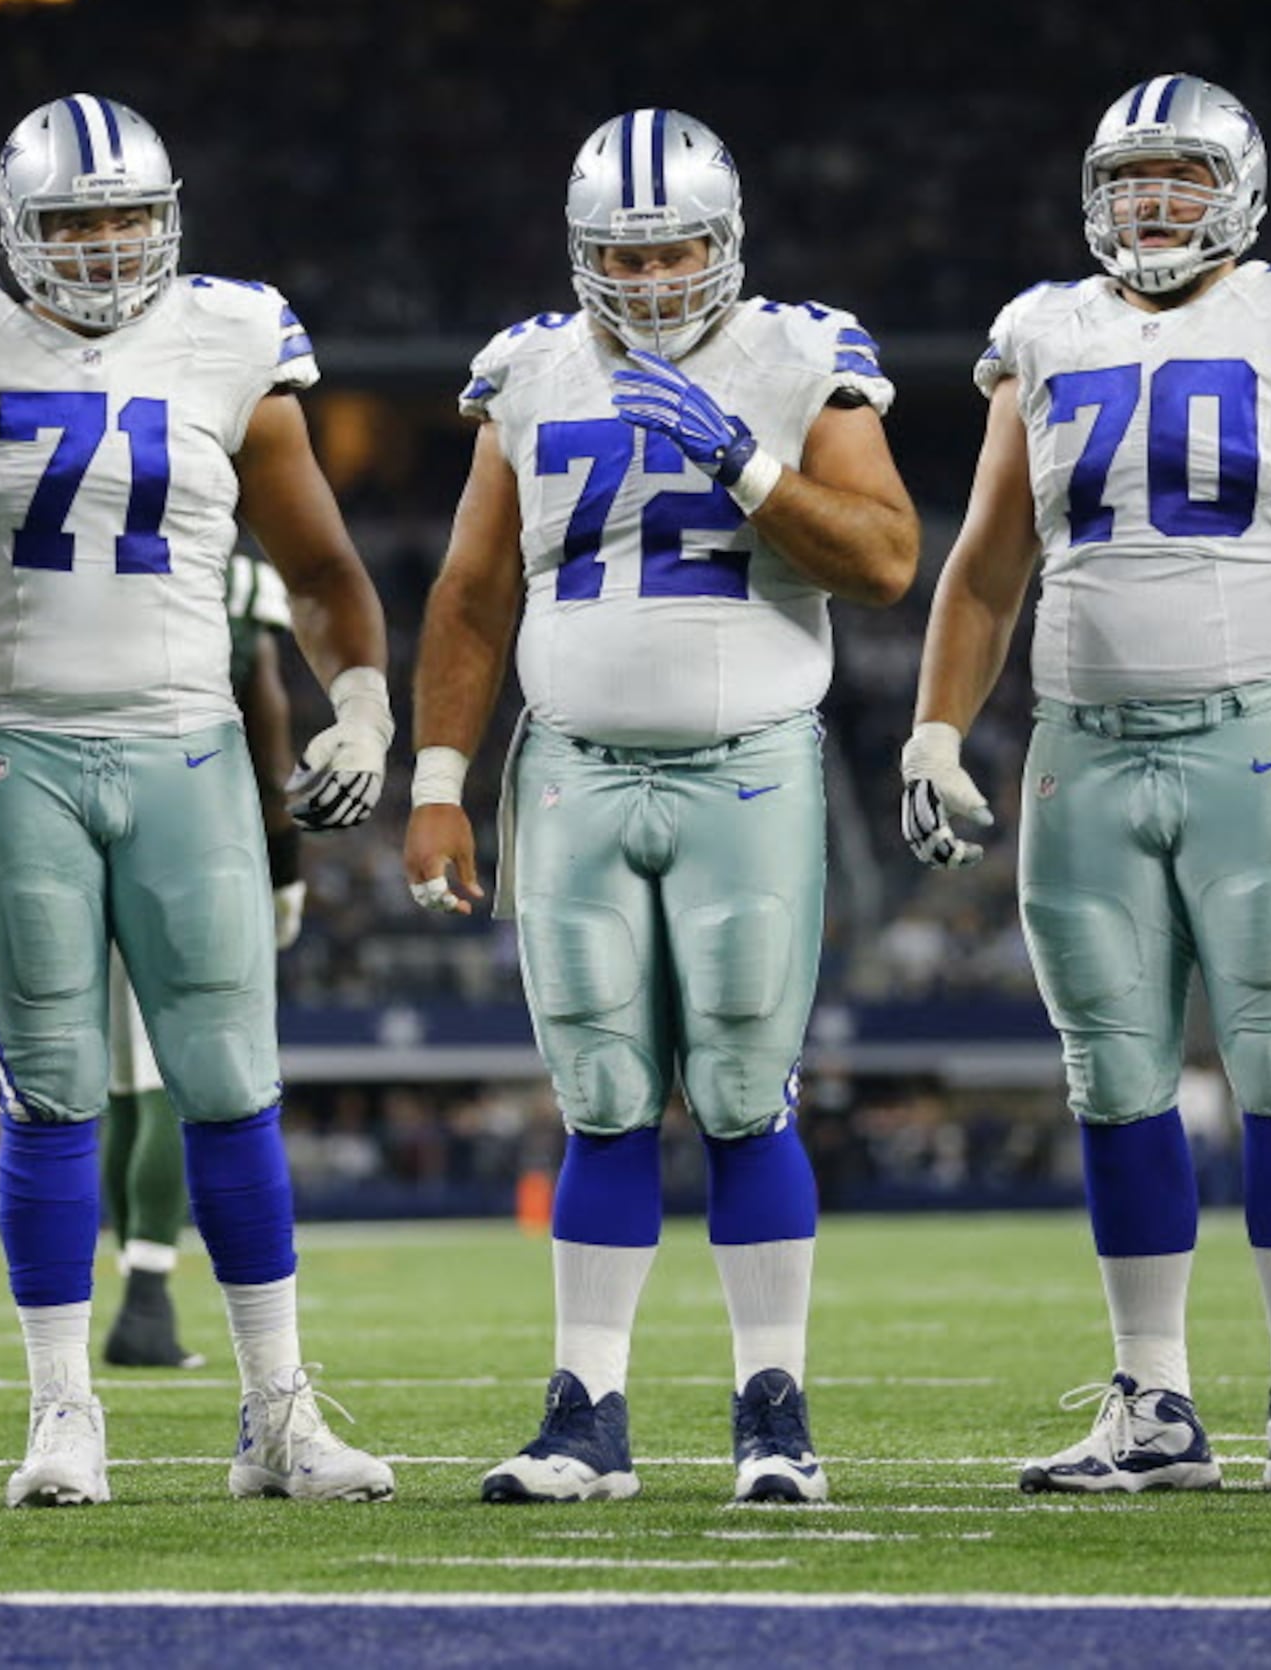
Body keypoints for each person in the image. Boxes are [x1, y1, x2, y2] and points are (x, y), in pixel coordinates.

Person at [0, 93, 398, 1509]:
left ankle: (277, 1412)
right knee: (53, 1090)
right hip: (14, 746)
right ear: (16, 231)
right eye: (74, 220)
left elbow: (318, 568)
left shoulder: (229, 336)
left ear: (170, 214)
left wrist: (365, 699)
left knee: (231, 1085)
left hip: (190, 746)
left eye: (128, 214)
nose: (106, 243)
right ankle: (63, 1411)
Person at [907, 75, 1271, 1499]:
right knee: (1116, 1082)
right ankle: (1153, 1400)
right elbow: (984, 564)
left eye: (1183, 179)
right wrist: (936, 730)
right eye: (1133, 178)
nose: (1153, 204)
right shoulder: (1042, 330)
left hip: (1258, 734)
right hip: (1082, 745)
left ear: (1242, 190)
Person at [406, 107, 917, 1505]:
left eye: (676, 246)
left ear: (727, 239)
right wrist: (439, 782)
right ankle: (588, 1415)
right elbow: (470, 589)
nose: (648, 280)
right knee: (603, 1094)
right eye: (620, 256)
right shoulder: (527, 368)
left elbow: (885, 557)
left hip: (746, 761)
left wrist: (746, 462)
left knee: (746, 1092)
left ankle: (775, 1414)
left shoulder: (798, 354)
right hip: (570, 768)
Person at [102, 551, 302, 1370]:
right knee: (160, 1081)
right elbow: (269, 723)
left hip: (49, 803)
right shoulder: (239, 572)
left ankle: (132, 1294)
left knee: (118, 1083)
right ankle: (146, 1301)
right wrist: (286, 865)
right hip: (186, 818)